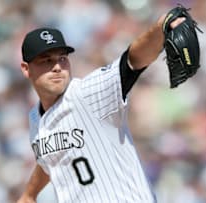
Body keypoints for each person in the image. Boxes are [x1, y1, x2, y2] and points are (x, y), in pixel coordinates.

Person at [17, 12, 185, 203]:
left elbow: (132, 60)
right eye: (46, 60)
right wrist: (29, 194)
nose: (57, 67)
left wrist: (159, 30)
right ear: (26, 69)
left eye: (62, 59)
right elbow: (48, 158)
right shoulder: (35, 119)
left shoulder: (86, 93)